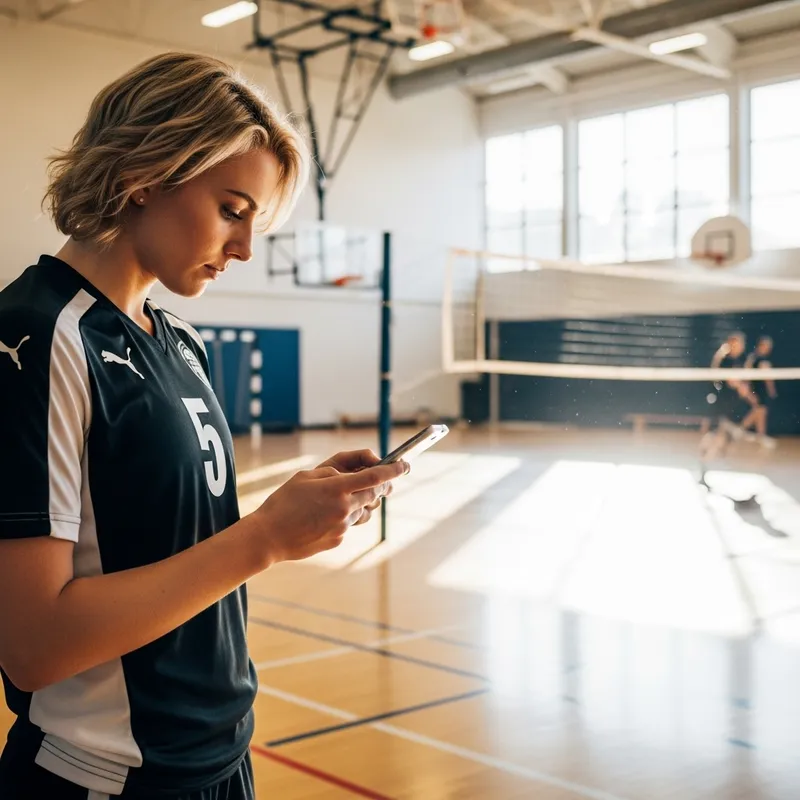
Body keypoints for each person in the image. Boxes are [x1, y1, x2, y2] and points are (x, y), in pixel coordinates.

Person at [0, 52, 408, 799]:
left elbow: (169, 545)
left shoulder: (179, 341)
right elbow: (33, 646)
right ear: (144, 174)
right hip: (108, 776)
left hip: (221, 755)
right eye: (232, 210)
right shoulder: (39, 335)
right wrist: (266, 539)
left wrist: (296, 511)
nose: (246, 248)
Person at [744, 335, 778, 439]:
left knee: (761, 412)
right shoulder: (761, 360)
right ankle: (740, 429)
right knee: (759, 410)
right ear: (761, 346)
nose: (768, 349)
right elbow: (768, 378)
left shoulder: (752, 357)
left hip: (754, 388)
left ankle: (761, 435)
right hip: (759, 389)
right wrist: (772, 390)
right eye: (766, 346)